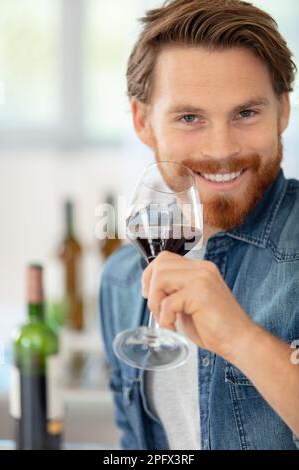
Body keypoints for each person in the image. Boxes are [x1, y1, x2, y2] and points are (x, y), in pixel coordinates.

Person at [99, 0, 299, 450]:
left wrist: (241, 338)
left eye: (246, 113)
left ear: (283, 112)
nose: (221, 149)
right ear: (142, 121)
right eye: (190, 118)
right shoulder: (120, 280)